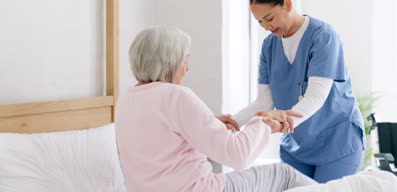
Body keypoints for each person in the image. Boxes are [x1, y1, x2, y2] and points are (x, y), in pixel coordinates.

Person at [115, 25, 315, 192]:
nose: (186, 67)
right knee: (284, 175)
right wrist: (264, 123)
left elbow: (158, 140)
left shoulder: (126, 99)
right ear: (169, 62)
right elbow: (237, 155)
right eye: (184, 60)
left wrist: (207, 124)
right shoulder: (176, 95)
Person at [217, 0, 365, 183]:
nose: (266, 27)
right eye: (259, 21)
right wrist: (233, 122)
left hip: (336, 143)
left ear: (287, 4)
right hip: (296, 145)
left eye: (269, 18)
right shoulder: (269, 46)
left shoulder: (322, 35)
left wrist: (283, 122)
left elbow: (316, 96)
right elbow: (264, 102)